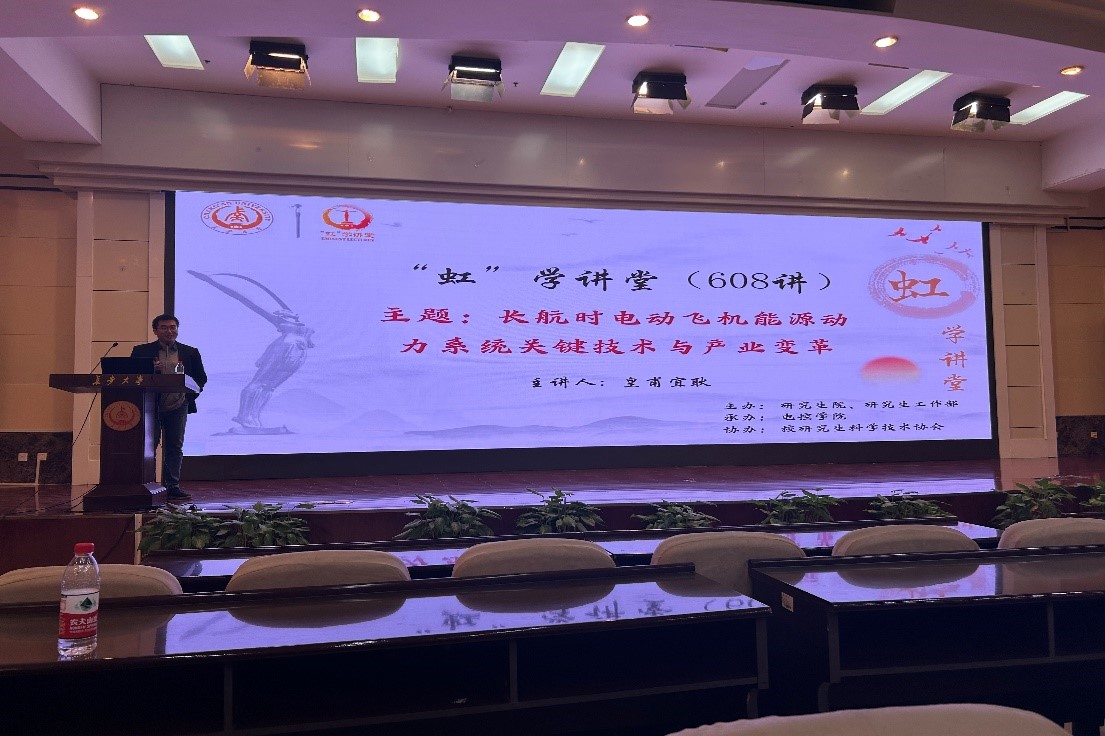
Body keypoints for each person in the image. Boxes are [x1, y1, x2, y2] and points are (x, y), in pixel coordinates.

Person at [130, 314, 207, 501]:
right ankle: (147, 484)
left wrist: (187, 396)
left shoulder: (189, 352)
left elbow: (201, 378)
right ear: (155, 331)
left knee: (174, 446)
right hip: (150, 406)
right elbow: (132, 376)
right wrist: (151, 370)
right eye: (164, 327)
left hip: (178, 405)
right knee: (149, 446)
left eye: (173, 327)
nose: (169, 331)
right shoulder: (141, 351)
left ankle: (172, 486)